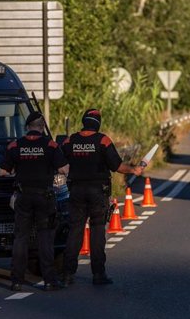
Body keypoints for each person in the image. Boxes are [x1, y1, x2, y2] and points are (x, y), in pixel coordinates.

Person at [61, 109, 143, 285]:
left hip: (76, 191)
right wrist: (133, 169)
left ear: (84, 121)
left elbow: (58, 161)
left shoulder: (71, 140)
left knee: (75, 230)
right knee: (97, 232)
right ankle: (98, 274)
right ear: (98, 123)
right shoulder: (103, 140)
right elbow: (117, 166)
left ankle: (67, 274)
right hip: (98, 192)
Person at [0, 111, 69, 292]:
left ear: (28, 127)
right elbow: (64, 170)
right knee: (45, 239)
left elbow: (2, 172)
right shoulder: (51, 145)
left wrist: (18, 172)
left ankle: (16, 281)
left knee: (20, 238)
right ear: (42, 126)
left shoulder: (15, 145)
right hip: (44, 197)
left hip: (23, 197)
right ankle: (49, 281)